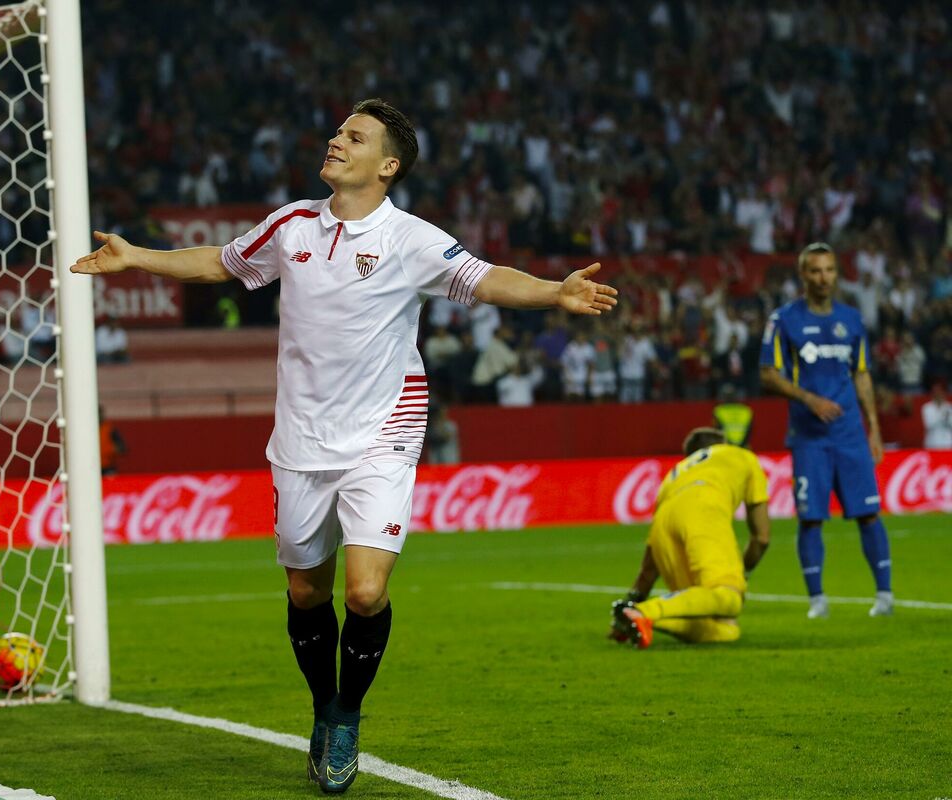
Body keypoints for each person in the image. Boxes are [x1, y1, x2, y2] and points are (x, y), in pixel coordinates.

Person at [72, 98, 619, 794]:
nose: (335, 141)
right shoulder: (293, 223)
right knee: (307, 591)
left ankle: (347, 716)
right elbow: (220, 262)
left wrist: (552, 293)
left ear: (387, 166)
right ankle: (321, 705)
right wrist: (136, 256)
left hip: (383, 431)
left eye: (354, 137)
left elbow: (484, 278)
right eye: (337, 132)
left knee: (364, 591)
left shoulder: (410, 238)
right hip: (300, 438)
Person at [759, 242, 893, 620]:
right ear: (803, 275)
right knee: (811, 517)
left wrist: (874, 428)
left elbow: (861, 374)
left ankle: (885, 595)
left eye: (830, 270)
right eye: (816, 271)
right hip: (809, 437)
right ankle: (817, 599)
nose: (824, 278)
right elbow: (767, 374)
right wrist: (809, 399)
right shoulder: (784, 320)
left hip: (850, 434)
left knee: (869, 513)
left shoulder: (852, 320)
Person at [611, 427, 771, 648]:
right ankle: (645, 612)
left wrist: (630, 600)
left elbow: (648, 569)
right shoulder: (740, 455)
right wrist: (740, 576)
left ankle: (635, 619)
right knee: (730, 598)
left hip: (663, 524)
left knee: (726, 628)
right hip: (703, 508)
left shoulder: (674, 475)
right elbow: (762, 538)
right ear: (721, 444)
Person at [922, 383, 952, 450]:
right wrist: (943, 415)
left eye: (940, 392)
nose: (938, 395)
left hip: (947, 442)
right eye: (936, 393)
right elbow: (929, 425)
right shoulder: (927, 407)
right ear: (933, 394)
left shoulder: (949, 407)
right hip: (932, 442)